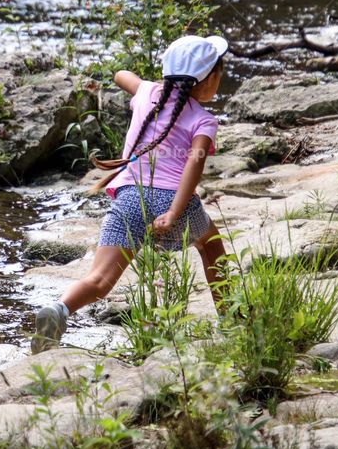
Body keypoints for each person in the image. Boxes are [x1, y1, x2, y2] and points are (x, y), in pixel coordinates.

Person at [31, 35, 230, 354]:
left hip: (129, 198)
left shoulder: (148, 92)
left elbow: (120, 75)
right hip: (170, 202)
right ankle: (230, 318)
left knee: (100, 279)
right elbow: (193, 168)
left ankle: (60, 309)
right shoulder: (203, 120)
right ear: (209, 79)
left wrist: (154, 80)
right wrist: (175, 213)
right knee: (211, 244)